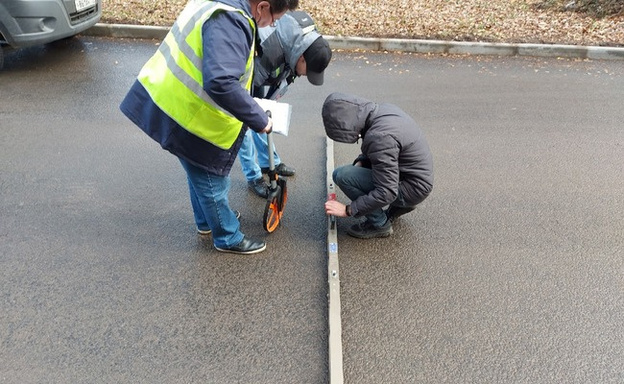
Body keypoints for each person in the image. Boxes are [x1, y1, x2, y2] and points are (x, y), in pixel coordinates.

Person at [120, 0, 299, 255]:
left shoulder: (220, 5)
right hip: (191, 112)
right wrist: (260, 120)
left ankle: (206, 222)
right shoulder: (230, 20)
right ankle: (226, 236)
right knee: (211, 180)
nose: (273, 24)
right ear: (263, 6)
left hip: (176, 99)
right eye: (275, 18)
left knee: (196, 171)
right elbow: (221, 82)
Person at [241, 10, 332, 197]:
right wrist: (253, 112)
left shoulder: (307, 44)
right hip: (247, 73)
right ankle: (253, 175)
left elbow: (289, 75)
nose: (307, 75)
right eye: (309, 70)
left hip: (265, 71)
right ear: (301, 58)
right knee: (245, 122)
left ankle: (269, 163)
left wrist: (273, 98)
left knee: (264, 113)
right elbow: (242, 95)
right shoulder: (269, 51)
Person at [323, 92, 434, 239]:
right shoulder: (382, 112)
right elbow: (382, 154)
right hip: (413, 178)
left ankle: (380, 225)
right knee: (354, 172)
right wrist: (361, 161)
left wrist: (348, 210)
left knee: (342, 176)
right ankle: (400, 205)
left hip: (412, 188)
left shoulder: (380, 137)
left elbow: (387, 191)